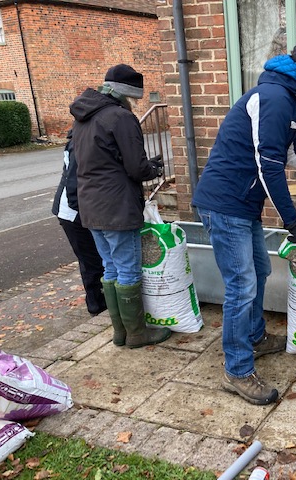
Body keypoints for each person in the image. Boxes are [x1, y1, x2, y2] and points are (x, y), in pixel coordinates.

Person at [192, 38, 296, 405]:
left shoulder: (286, 98)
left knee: (258, 273)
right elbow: (269, 166)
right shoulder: (274, 98)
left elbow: (290, 152)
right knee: (241, 285)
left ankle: (256, 338)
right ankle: (238, 369)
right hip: (225, 204)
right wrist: (292, 221)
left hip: (242, 204)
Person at [69, 64, 171, 349]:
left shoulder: (83, 118)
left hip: (90, 208)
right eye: (134, 98)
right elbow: (136, 168)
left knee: (110, 268)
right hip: (117, 207)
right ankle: (138, 334)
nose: (134, 104)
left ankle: (120, 333)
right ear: (125, 94)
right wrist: (153, 168)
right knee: (128, 270)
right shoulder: (120, 117)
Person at [51, 129, 107, 316]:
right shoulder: (79, 144)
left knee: (95, 260)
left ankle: (101, 303)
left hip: (80, 210)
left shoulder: (81, 137)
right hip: (73, 213)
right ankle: (97, 307)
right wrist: (84, 214)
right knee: (91, 262)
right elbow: (73, 183)